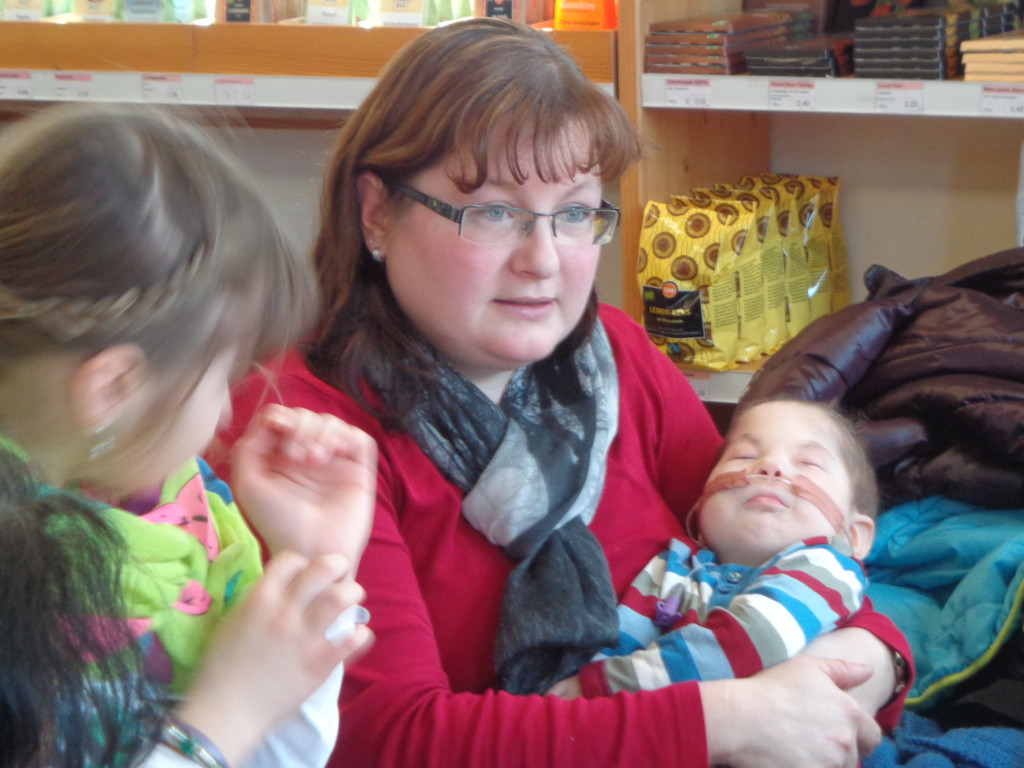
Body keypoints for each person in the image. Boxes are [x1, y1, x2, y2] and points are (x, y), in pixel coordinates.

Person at [220, 18, 911, 768]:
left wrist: (870, 663)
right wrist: (728, 719)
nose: (544, 259)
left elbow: (796, 560)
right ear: (377, 213)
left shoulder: (614, 354)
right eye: (495, 211)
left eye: (576, 212)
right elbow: (386, 738)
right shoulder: (300, 431)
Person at [0, 103, 375, 768]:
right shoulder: (22, 595)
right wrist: (223, 716)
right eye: (223, 375)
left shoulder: (165, 506)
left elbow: (273, 757)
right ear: (113, 389)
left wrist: (312, 564)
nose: (227, 414)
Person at [549, 398, 896, 700]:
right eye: (744, 455)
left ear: (854, 537)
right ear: (700, 512)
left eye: (809, 463)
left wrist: (599, 686)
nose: (770, 466)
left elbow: (753, 640)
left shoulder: (829, 568)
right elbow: (621, 640)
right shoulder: (672, 566)